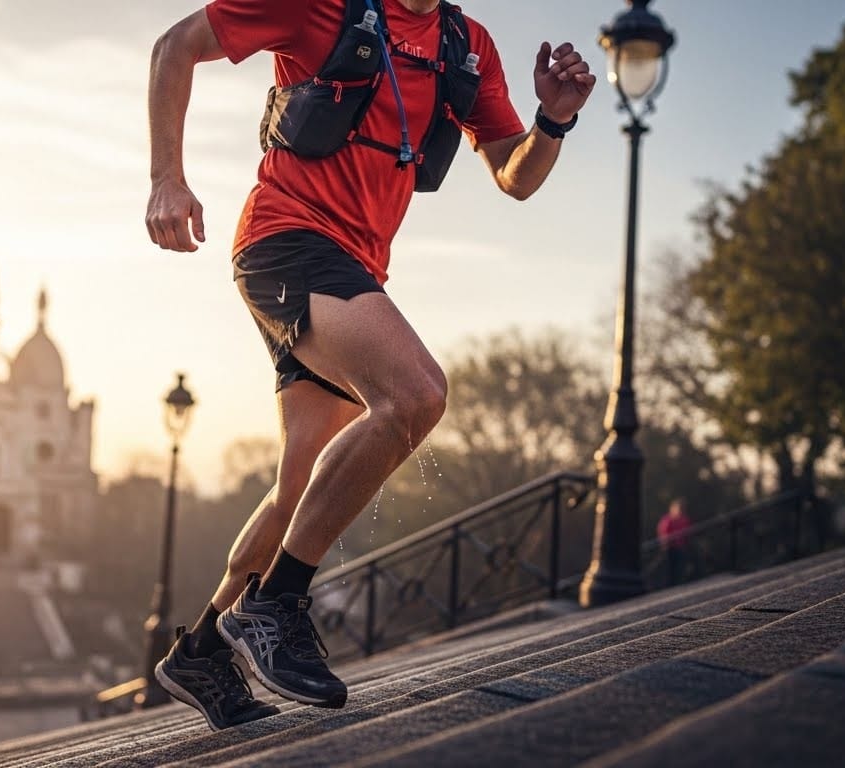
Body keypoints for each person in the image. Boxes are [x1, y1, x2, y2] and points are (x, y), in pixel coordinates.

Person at [145, 0, 595, 730]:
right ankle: (275, 605)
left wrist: (553, 121)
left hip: (355, 265)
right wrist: (168, 177)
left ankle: (200, 650)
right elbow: (174, 47)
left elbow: (514, 175)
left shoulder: (464, 43)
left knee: (301, 486)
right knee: (415, 395)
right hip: (285, 242)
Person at [657, 498, 693, 586]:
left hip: (681, 548)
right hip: (670, 548)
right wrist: (664, 546)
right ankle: (669, 586)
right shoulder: (667, 520)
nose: (680, 510)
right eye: (678, 508)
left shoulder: (685, 519)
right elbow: (663, 533)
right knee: (669, 570)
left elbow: (688, 533)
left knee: (680, 569)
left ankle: (679, 584)